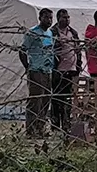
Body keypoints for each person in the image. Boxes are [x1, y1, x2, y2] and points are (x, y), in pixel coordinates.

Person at [19, 8, 55, 138]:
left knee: (46, 99)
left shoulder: (50, 33)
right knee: (35, 100)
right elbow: (22, 50)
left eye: (51, 18)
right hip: (36, 69)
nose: (49, 20)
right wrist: (28, 67)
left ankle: (41, 127)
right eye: (46, 17)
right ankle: (31, 129)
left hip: (47, 70)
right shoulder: (32, 33)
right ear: (40, 18)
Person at [49, 9, 83, 133]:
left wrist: (79, 64)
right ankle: (55, 125)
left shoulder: (73, 32)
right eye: (64, 17)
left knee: (69, 99)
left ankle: (66, 124)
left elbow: (78, 50)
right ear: (58, 18)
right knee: (57, 98)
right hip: (59, 70)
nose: (67, 19)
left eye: (68, 17)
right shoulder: (53, 32)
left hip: (72, 70)